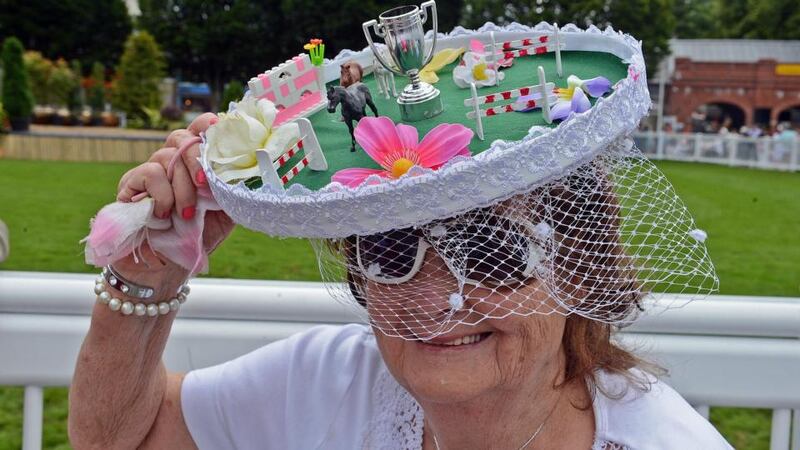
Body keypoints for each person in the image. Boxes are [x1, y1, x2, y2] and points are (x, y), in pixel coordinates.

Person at [68, 22, 732, 450]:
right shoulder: (328, 383)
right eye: (390, 251)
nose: (433, 297)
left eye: (493, 253)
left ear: (582, 269)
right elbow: (122, 438)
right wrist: (150, 269)